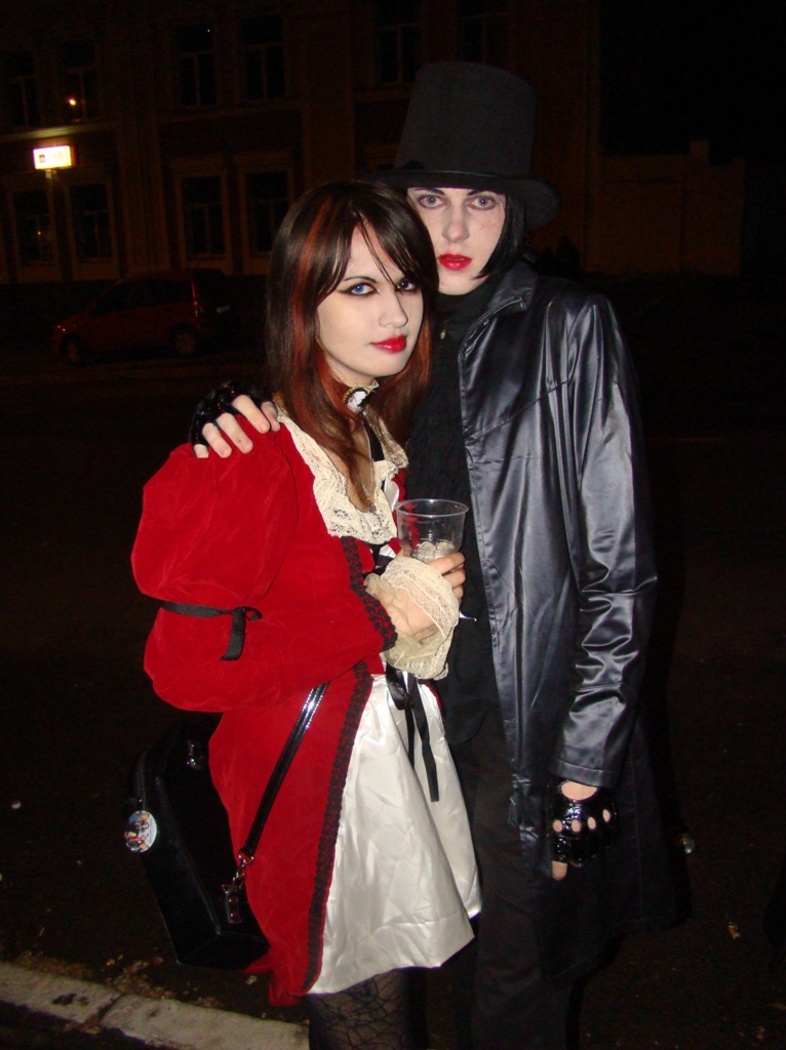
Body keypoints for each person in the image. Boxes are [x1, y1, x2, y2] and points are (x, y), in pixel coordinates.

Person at [188, 63, 676, 1050]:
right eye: (430, 201)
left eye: (481, 202)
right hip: (396, 712)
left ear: (512, 215)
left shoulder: (566, 329)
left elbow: (619, 572)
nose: (454, 228)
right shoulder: (384, 329)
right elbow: (300, 451)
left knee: (512, 986)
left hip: (518, 725)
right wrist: (225, 415)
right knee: (391, 962)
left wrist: (583, 766)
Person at [131, 180, 481, 1050]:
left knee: (385, 1007)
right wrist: (381, 615)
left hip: (386, 766)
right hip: (316, 794)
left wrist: (416, 611)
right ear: (300, 303)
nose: (395, 311)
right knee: (367, 1024)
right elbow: (184, 670)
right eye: (359, 287)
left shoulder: (370, 430)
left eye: (405, 282)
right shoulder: (251, 452)